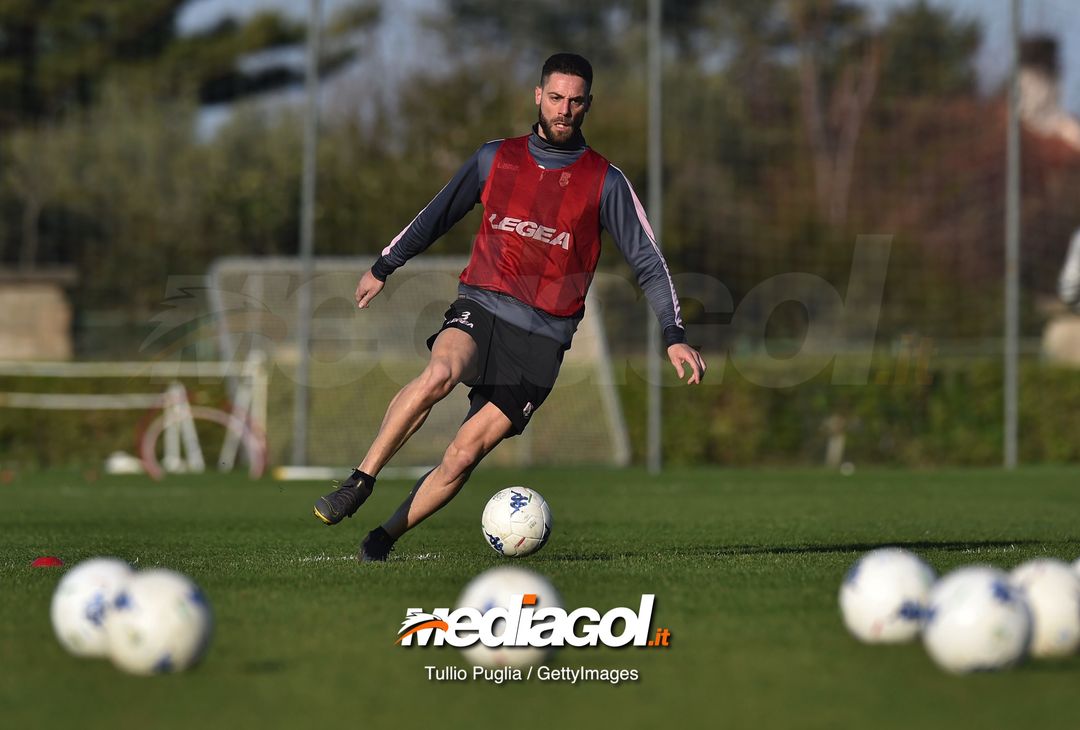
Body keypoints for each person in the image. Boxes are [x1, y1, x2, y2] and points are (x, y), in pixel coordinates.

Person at [312, 53, 707, 561]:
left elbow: (650, 263)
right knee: (440, 373)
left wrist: (673, 334)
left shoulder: (606, 181)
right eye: (557, 98)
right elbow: (435, 216)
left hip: (542, 340)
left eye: (576, 101)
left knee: (462, 455)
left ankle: (382, 539)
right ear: (538, 96)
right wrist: (385, 266)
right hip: (482, 302)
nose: (565, 110)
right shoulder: (494, 158)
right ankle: (361, 480)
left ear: (588, 105)